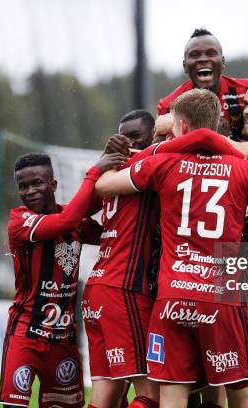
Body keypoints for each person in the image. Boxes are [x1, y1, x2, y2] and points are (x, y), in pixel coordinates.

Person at [96, 89, 248, 408]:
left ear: (180, 127)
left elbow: (104, 184)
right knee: (244, 396)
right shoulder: (243, 168)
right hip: (221, 299)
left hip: (172, 297)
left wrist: (120, 156)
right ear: (218, 124)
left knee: (172, 394)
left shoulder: (162, 163)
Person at [0, 151, 125, 408]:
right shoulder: (19, 222)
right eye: (23, 186)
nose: (30, 191)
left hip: (63, 340)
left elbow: (102, 221)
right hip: (26, 335)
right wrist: (95, 171)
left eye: (37, 183)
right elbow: (68, 219)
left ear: (53, 184)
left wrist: (119, 164)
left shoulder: (73, 220)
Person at [82, 110, 160, 408]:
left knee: (105, 397)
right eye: (123, 137)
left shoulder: (109, 174)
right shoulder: (147, 164)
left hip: (97, 290)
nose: (128, 144)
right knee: (151, 394)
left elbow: (84, 206)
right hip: (123, 290)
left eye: (134, 137)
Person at [155, 28, 248, 140]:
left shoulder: (247, 92)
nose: (203, 59)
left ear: (223, 62)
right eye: (195, 55)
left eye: (211, 53)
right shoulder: (169, 105)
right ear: (185, 66)